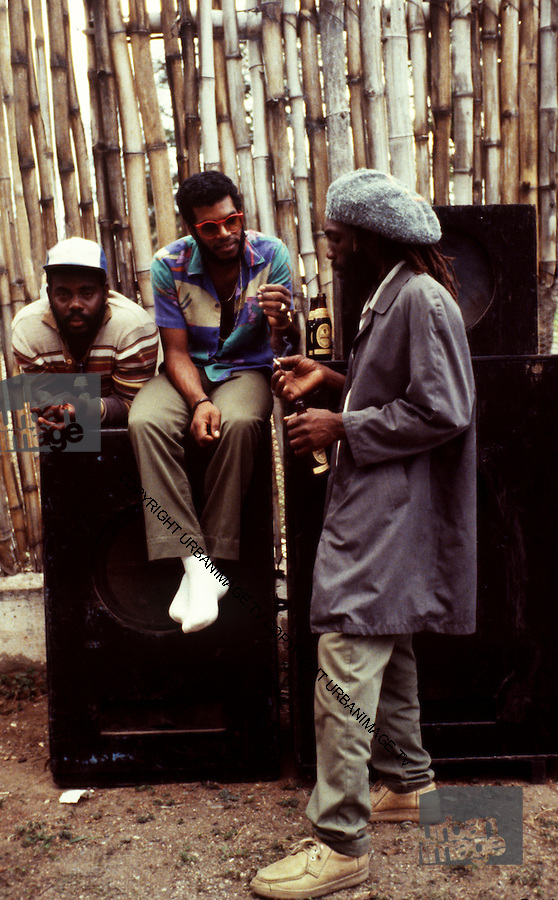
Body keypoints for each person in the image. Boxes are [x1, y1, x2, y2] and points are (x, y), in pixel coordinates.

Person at [251, 169, 476, 899]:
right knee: (388, 633)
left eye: (338, 237)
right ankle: (408, 783)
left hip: (392, 510)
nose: (330, 248)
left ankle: (340, 843)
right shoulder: (393, 293)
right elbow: (395, 388)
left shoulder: (422, 299)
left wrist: (340, 425)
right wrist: (332, 379)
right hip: (384, 505)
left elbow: (445, 409)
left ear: (374, 239)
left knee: (345, 656)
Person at [128, 171, 299, 635]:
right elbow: (175, 352)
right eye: (210, 227)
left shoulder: (273, 255)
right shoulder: (168, 264)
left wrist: (281, 321)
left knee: (240, 423)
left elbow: (285, 349)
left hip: (247, 368)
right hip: (190, 369)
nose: (224, 233)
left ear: (240, 214)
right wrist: (199, 400)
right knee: (144, 421)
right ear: (191, 228)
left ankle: (210, 563)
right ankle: (198, 565)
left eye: (232, 220)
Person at [12, 236, 159, 433]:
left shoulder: (132, 328)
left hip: (126, 430)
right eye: (63, 294)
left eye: (87, 293)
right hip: (64, 430)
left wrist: (85, 411)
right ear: (49, 294)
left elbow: (134, 406)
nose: (75, 304)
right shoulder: (28, 331)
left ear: (105, 293)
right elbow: (49, 404)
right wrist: (57, 411)